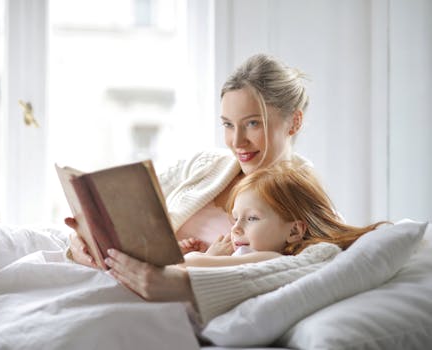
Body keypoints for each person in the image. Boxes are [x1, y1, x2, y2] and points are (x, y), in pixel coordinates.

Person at [65, 53, 334, 324]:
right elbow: (121, 212)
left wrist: (183, 284)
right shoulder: (205, 163)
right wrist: (83, 241)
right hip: (116, 284)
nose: (237, 141)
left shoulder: (304, 195)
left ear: (294, 122)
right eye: (228, 125)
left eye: (253, 123)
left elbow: (325, 263)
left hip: (165, 310)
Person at [179, 161, 387, 269]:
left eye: (251, 218)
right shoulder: (249, 254)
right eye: (235, 218)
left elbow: (191, 266)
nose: (235, 228)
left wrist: (207, 257)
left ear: (295, 230)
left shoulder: (269, 258)